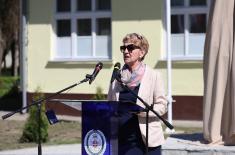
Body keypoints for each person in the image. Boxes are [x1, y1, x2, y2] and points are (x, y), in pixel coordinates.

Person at [107, 33, 168, 155]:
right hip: (122, 139)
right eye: (123, 48)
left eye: (130, 48)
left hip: (147, 139)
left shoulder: (153, 76)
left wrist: (144, 111)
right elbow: (110, 104)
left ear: (142, 52)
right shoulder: (117, 77)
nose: (125, 51)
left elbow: (162, 105)